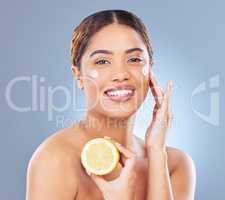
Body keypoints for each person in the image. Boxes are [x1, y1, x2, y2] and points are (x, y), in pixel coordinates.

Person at [26, 9, 196, 200]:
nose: (121, 74)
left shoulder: (176, 165)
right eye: (102, 61)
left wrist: (156, 153)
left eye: (134, 59)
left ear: (150, 69)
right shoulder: (55, 160)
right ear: (78, 76)